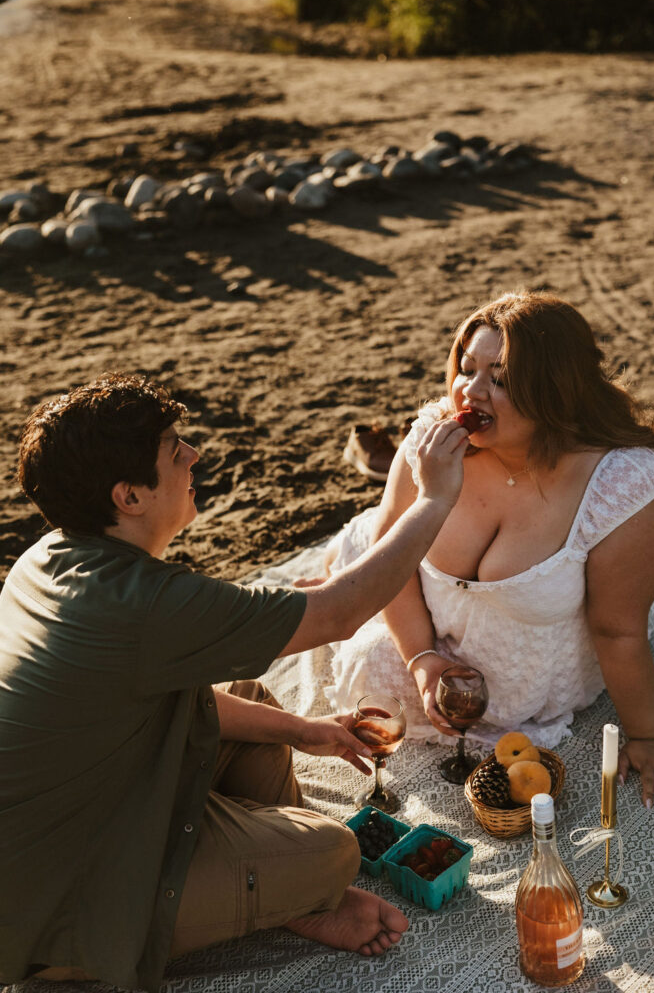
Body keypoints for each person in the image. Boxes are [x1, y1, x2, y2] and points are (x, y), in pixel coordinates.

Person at [0, 373, 471, 993]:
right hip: (68, 894)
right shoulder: (147, 606)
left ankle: (281, 879)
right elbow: (336, 611)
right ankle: (293, 891)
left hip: (99, 801)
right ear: (129, 497)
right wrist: (434, 501)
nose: (194, 455)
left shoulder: (50, 555)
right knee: (335, 853)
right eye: (174, 451)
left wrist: (304, 731)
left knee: (249, 698)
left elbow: (164, 700)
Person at [324, 291, 654, 810]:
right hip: (426, 632)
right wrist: (424, 660)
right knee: (364, 590)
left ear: (557, 391)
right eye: (467, 368)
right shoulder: (433, 439)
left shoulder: (620, 483)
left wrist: (647, 734)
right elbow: (390, 564)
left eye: (501, 379)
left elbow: (618, 629)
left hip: (538, 678)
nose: (469, 392)